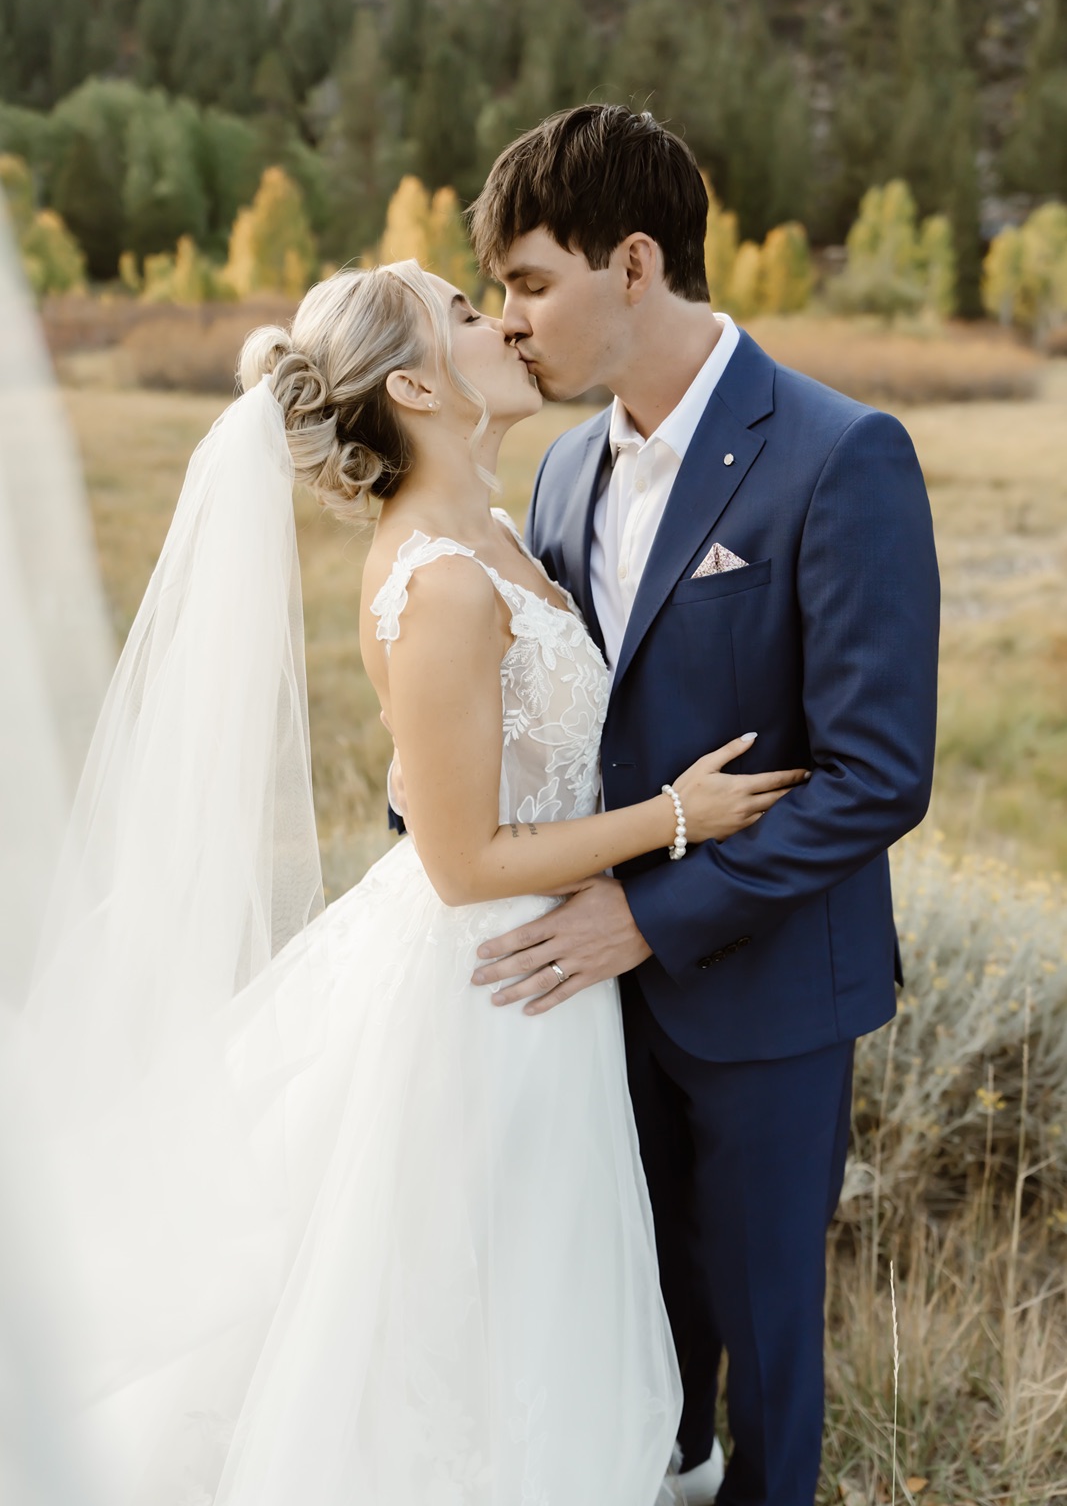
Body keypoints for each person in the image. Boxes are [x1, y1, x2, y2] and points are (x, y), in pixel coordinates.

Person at [15, 257, 811, 1506]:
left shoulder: (492, 527)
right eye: (459, 312)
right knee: (452, 1316)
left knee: (518, 1297)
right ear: (414, 386)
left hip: (542, 970)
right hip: (486, 984)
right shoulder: (437, 581)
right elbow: (457, 862)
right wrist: (674, 817)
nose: (495, 321)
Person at [464, 105, 941, 1506]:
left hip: (767, 1007)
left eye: (529, 283)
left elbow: (874, 776)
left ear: (630, 263)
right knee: (631, 1355)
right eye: (495, 292)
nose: (510, 324)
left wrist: (648, 916)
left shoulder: (836, 453)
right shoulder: (558, 468)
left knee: (766, 1383)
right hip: (586, 1014)